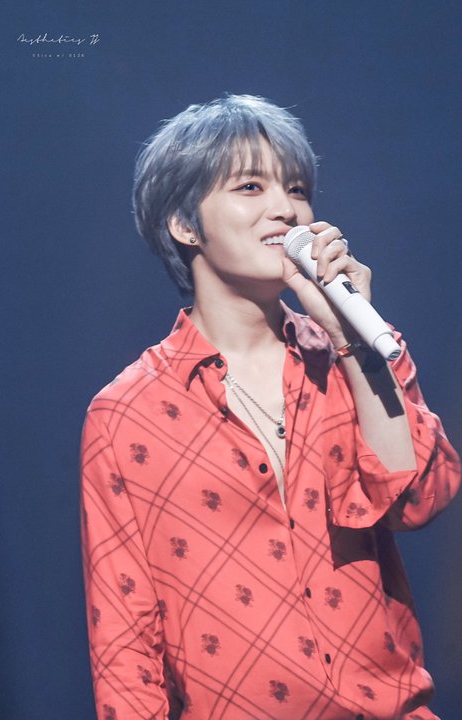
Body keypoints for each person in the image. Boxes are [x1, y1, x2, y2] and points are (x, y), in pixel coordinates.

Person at [79, 94, 460, 720]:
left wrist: (351, 341)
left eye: (297, 189)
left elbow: (418, 500)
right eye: (251, 187)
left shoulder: (356, 354)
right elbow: (125, 641)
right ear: (184, 224)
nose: (286, 208)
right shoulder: (127, 414)